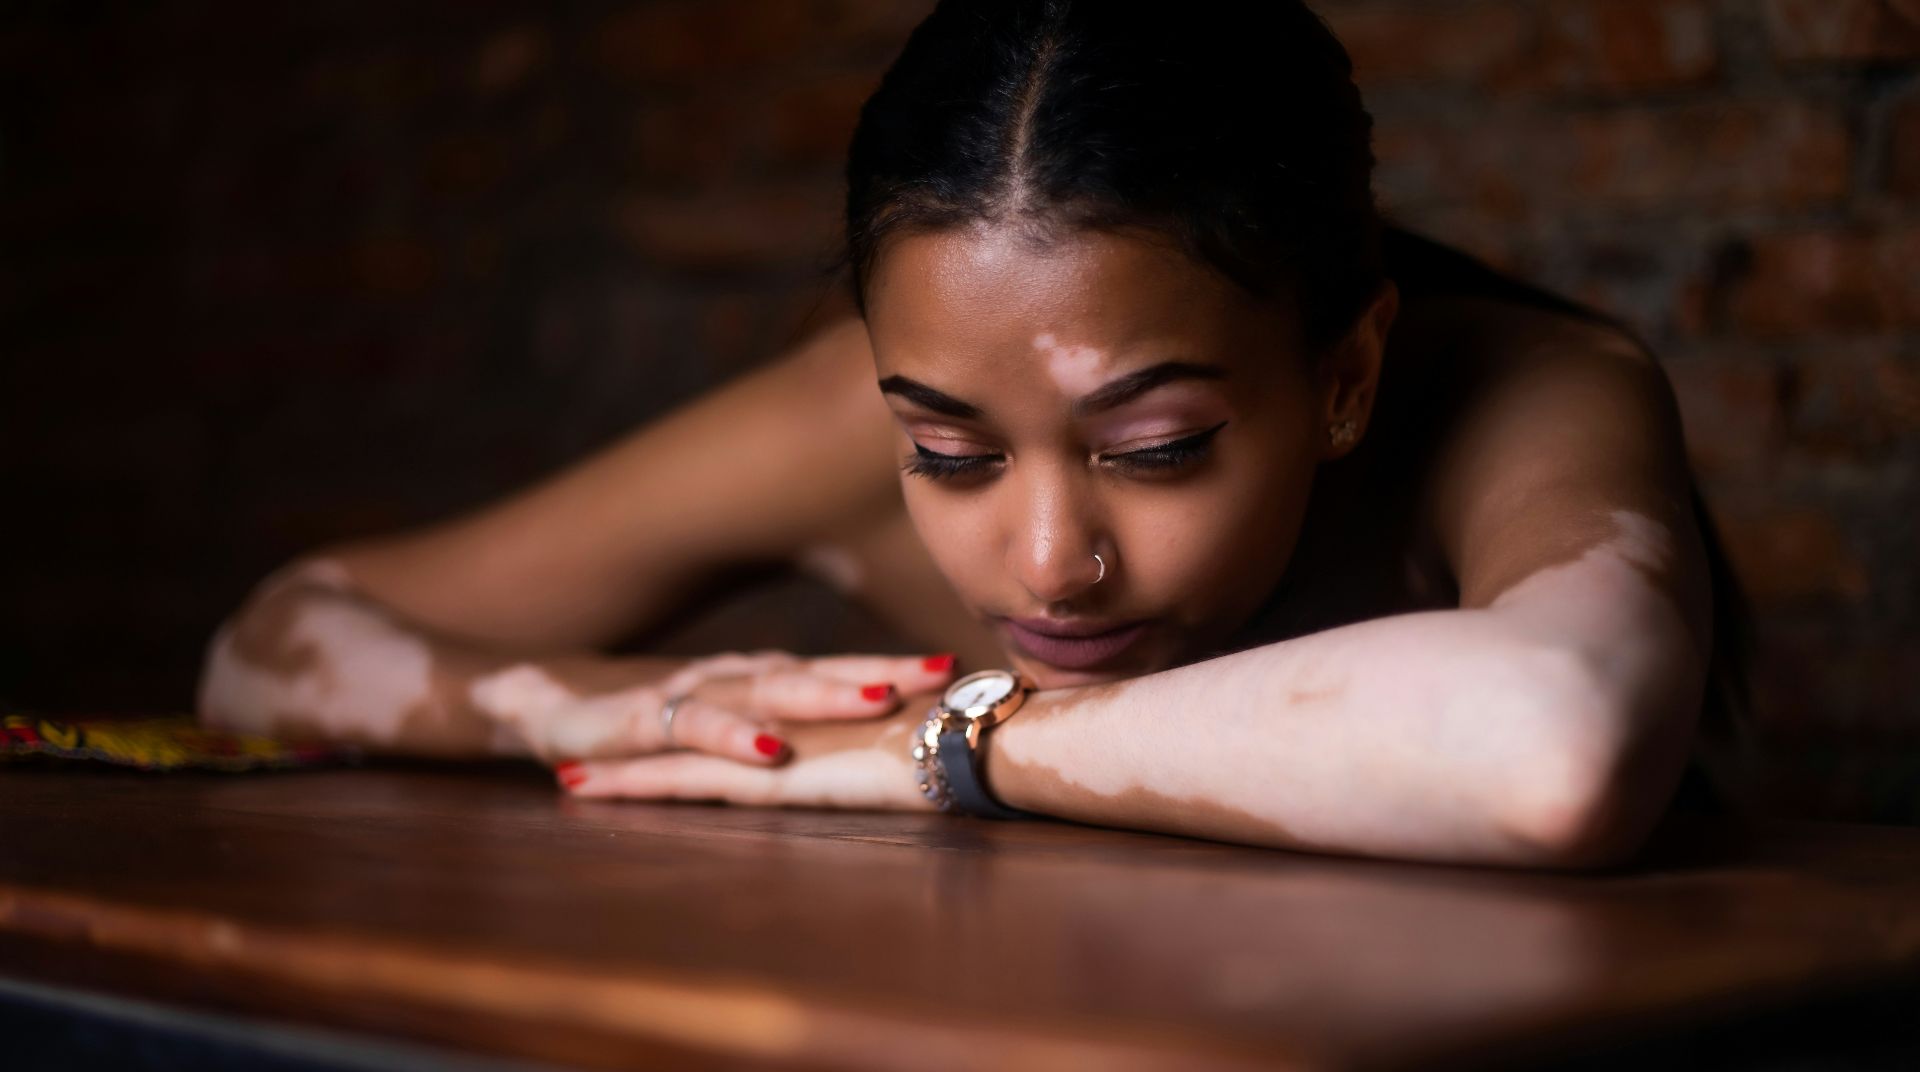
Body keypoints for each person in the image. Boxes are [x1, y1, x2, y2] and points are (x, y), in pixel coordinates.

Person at [197, 0, 1754, 870]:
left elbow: (1559, 749)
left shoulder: (1530, 392)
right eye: (948, 456)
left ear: (1345, 377)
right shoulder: (832, 415)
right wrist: (632, 708)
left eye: (1156, 447)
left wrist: (936, 747)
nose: (1047, 565)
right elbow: (273, 647)